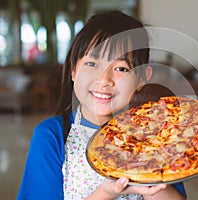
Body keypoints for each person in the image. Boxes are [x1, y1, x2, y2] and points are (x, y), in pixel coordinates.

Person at [17, 11, 186, 200]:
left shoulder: (153, 135)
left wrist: (145, 169)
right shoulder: (51, 136)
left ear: (141, 78)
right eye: (92, 63)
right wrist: (106, 193)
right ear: (74, 70)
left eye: (121, 68)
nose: (104, 80)